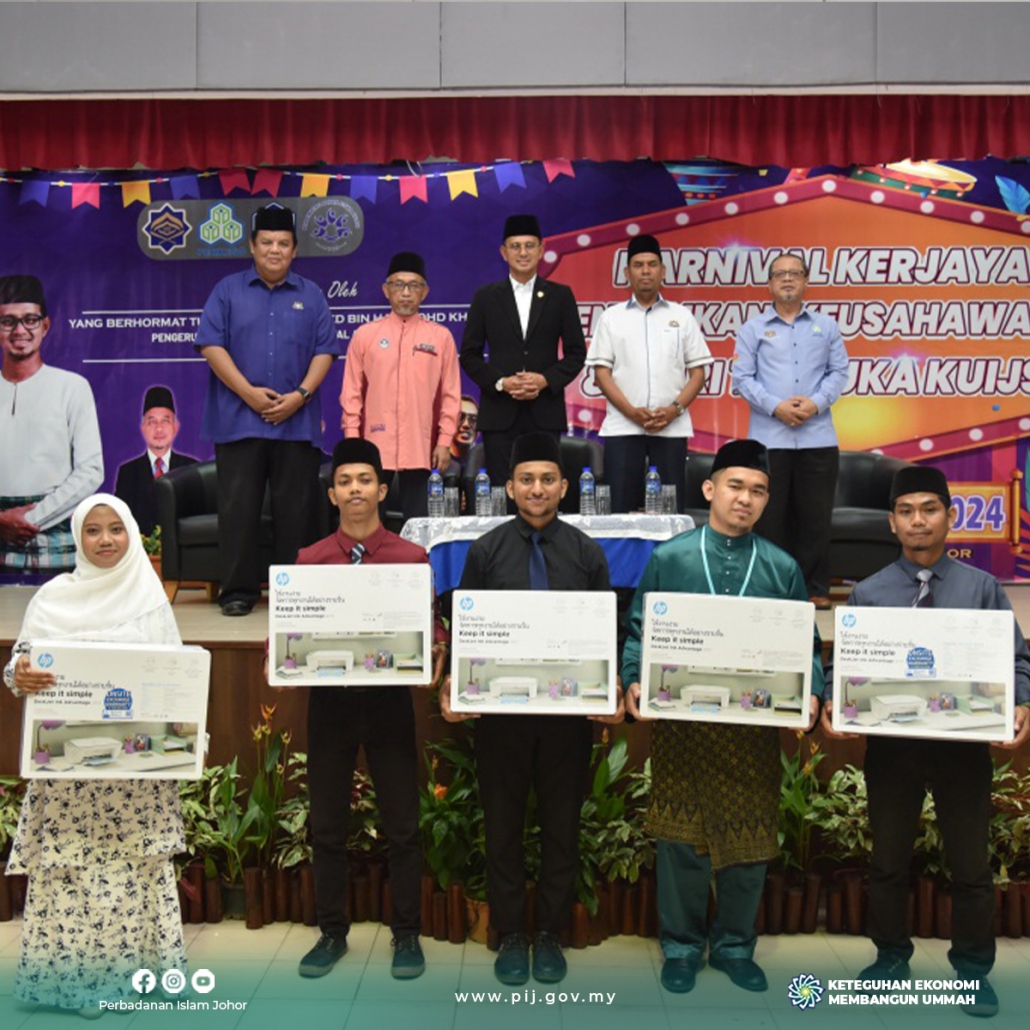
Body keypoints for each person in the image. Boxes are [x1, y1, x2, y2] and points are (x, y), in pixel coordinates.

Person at [821, 465, 1030, 1019]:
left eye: (930, 509)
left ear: (949, 517)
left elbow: (1016, 660)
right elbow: (842, 667)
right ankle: (890, 958)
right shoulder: (869, 593)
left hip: (964, 748)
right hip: (894, 749)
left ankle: (973, 973)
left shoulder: (981, 588)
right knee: (888, 860)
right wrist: (836, 701)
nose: (919, 521)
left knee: (971, 866)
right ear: (892, 522)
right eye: (907, 511)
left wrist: (1022, 703)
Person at [622, 439, 823, 996]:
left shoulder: (782, 566)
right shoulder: (672, 558)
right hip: (684, 725)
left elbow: (805, 645)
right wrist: (634, 677)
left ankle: (735, 945)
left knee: (749, 838)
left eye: (758, 491)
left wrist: (811, 691)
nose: (745, 499)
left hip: (751, 728)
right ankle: (681, 946)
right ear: (710, 489)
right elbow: (638, 630)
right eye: (735, 486)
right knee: (679, 837)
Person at [439, 432, 621, 986]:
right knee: (502, 829)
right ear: (510, 487)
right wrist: (452, 686)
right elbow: (464, 629)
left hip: (567, 722)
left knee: (562, 829)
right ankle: (512, 934)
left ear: (564, 487)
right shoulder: (485, 551)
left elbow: (606, 634)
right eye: (526, 480)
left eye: (547, 480)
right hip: (503, 721)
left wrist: (611, 687)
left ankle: (550, 935)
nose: (537, 489)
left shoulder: (587, 553)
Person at [3, 494, 187, 1018]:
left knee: (132, 869)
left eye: (116, 529)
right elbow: (18, 668)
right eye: (93, 530)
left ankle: (128, 980)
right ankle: (77, 986)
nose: (106, 540)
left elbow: (178, 679)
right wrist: (19, 675)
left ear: (131, 534)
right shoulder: (51, 599)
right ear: (78, 539)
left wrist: (185, 735)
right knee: (73, 870)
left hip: (135, 771)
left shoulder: (150, 599)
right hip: (69, 774)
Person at [286, 438, 448, 982]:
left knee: (402, 826)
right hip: (329, 706)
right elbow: (286, 634)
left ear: (382, 489)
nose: (355, 489)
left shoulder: (410, 559)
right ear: (332, 494)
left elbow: (432, 626)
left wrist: (436, 649)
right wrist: (277, 658)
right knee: (328, 827)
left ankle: (407, 934)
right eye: (344, 481)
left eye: (364, 480)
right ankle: (332, 932)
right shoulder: (309, 561)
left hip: (388, 704)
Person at [195, 203, 337, 616]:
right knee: (238, 511)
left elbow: (325, 350)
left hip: (297, 423)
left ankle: (293, 594)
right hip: (239, 421)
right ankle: (238, 592)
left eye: (283, 243)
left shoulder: (311, 295)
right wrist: (250, 394)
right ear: (252, 247)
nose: (275, 250)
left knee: (297, 514)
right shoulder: (227, 291)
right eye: (267, 242)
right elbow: (211, 346)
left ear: (295, 250)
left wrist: (300, 396)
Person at [732, 252, 849, 608]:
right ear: (769, 284)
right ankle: (773, 587)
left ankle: (814, 588)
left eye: (794, 273)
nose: (787, 279)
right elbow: (742, 378)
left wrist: (815, 403)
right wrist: (776, 406)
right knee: (770, 518)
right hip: (770, 439)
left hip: (818, 437)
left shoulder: (826, 326)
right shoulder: (752, 329)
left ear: (805, 281)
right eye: (780, 274)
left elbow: (839, 372)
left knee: (815, 518)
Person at [587, 234, 712, 513]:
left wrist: (673, 410)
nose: (645, 271)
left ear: (663, 271)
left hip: (671, 427)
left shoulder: (682, 316)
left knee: (670, 512)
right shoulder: (611, 317)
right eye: (638, 265)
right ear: (627, 273)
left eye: (652, 264)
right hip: (623, 427)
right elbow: (602, 374)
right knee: (618, 512)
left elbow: (698, 373)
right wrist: (631, 412)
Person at [460, 215, 586, 490]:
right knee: (502, 493)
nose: (523, 253)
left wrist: (545, 380)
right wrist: (501, 383)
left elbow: (577, 353)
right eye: (515, 246)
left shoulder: (560, 295)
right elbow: (469, 354)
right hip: (499, 414)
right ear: (503, 252)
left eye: (529, 246)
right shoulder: (486, 296)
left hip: (545, 413)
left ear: (541, 250)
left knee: (544, 491)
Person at [341, 252, 461, 522]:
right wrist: (352, 440)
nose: (406, 293)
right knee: (369, 522)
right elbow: (352, 393)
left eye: (414, 285)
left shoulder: (440, 337)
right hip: (373, 445)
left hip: (421, 446)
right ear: (386, 290)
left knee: (419, 523)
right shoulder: (365, 335)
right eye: (399, 285)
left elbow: (451, 395)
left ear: (424, 292)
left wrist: (444, 441)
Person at [0, 275, 103, 573]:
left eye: (30, 320)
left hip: (54, 532)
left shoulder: (72, 387)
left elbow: (91, 470)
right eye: (8, 321)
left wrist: (30, 520)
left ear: (45, 326)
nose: (20, 330)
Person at [114, 385, 199, 537]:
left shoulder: (191, 468)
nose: (159, 429)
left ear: (175, 427)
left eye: (165, 421)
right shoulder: (128, 472)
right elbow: (121, 520)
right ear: (143, 428)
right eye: (152, 422)